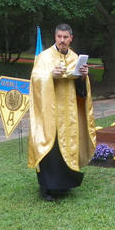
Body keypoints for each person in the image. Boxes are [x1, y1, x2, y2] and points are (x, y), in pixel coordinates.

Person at [28, 23, 96, 201]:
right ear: (55, 37)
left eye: (66, 37)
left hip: (69, 114)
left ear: (71, 38)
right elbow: (35, 80)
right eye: (59, 37)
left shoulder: (75, 57)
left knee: (68, 147)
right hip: (48, 112)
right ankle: (46, 188)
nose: (62, 40)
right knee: (50, 148)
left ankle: (65, 184)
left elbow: (82, 91)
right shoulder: (44, 57)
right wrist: (51, 76)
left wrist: (83, 76)